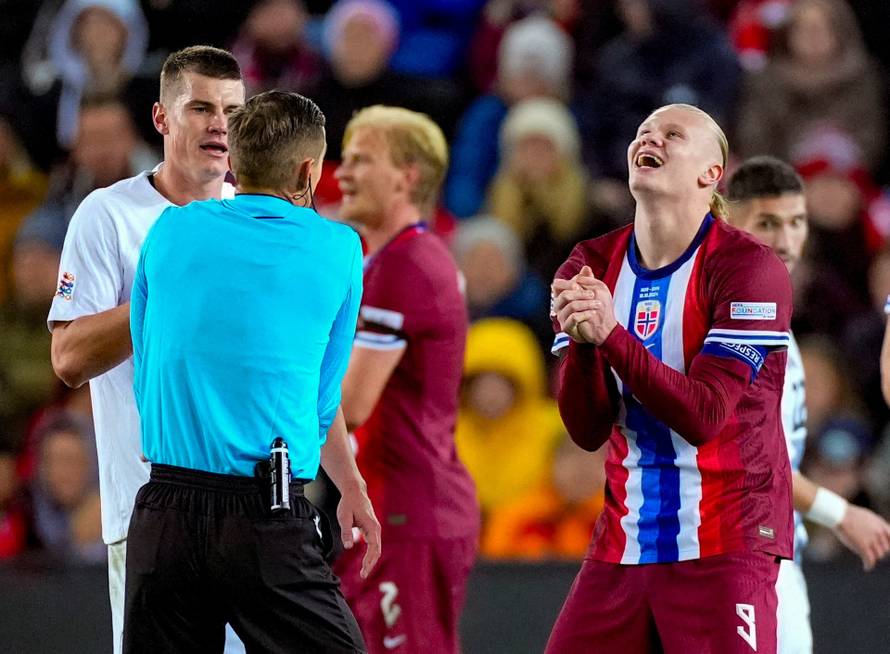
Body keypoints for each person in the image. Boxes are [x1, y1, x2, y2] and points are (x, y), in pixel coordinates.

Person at [126, 90, 380, 653]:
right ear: (310, 169)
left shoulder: (168, 230)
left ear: (234, 162)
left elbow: (146, 363)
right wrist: (345, 482)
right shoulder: (339, 247)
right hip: (264, 513)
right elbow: (320, 395)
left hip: (163, 511)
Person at [548, 104, 793, 653]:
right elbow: (586, 430)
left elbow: (704, 415)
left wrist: (610, 334)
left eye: (672, 134)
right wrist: (586, 346)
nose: (649, 138)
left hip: (728, 537)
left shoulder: (748, 268)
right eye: (642, 132)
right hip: (624, 540)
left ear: (712, 174)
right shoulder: (588, 263)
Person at [47, 45, 247, 654]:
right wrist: (167, 296)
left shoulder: (258, 220)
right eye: (201, 108)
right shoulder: (108, 216)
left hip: (254, 520)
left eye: (233, 112)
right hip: (148, 519)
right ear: (161, 118)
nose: (220, 125)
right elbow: (70, 358)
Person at [726, 155, 890, 653]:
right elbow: (749, 459)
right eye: (767, 223)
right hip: (727, 558)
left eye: (796, 222)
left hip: (776, 555)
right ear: (729, 225)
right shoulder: (728, 326)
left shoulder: (783, 331)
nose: (785, 240)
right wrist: (841, 513)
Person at [333, 105, 480, 654]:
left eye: (361, 159)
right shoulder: (393, 261)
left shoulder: (407, 266)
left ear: (409, 175)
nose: (342, 172)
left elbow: (352, 404)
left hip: (408, 511)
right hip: (389, 506)